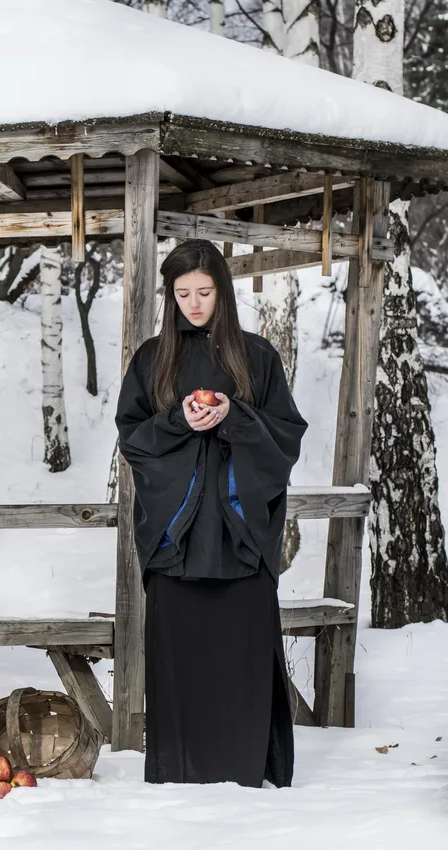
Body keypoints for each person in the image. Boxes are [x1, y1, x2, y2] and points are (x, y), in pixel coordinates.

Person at [115, 238, 308, 788]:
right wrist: (179, 420)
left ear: (223, 291)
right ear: (171, 297)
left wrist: (235, 417)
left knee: (239, 660)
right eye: (183, 294)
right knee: (182, 665)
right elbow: (133, 439)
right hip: (177, 544)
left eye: (205, 291)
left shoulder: (258, 356)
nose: (195, 303)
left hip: (239, 541)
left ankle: (246, 767)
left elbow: (286, 440)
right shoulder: (153, 358)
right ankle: (179, 769)